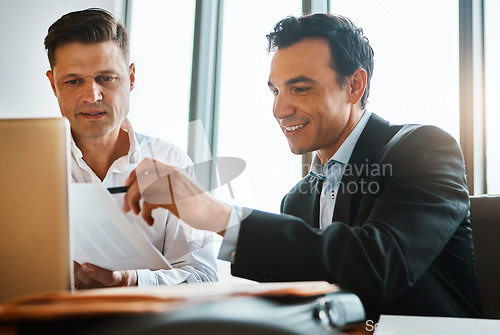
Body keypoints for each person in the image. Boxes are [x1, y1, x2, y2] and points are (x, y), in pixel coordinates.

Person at [122, 13, 482, 319]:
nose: (280, 110)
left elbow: (377, 265)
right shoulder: (298, 198)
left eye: (301, 89)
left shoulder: (424, 149)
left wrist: (220, 216)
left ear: (355, 85)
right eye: (275, 91)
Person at [44, 8, 218, 289]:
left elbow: (203, 275)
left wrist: (132, 280)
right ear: (53, 85)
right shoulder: (23, 170)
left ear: (131, 77)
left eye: (106, 78)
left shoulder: (170, 161)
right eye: (73, 81)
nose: (91, 96)